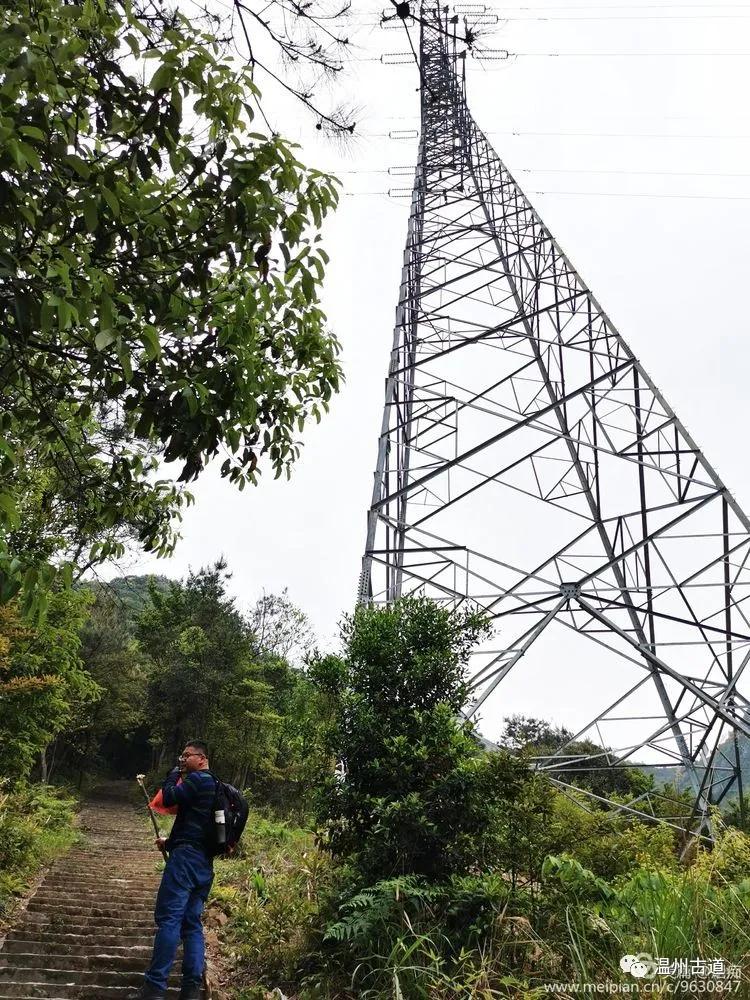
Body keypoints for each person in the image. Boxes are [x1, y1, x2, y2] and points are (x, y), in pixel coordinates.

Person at [129, 741, 217, 1000]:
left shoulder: (198, 780)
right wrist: (169, 842)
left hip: (185, 863)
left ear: (201, 758)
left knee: (169, 919)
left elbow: (168, 797)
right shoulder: (215, 787)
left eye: (186, 756)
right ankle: (190, 991)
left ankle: (154, 989)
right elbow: (196, 826)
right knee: (191, 924)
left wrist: (173, 775)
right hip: (203, 862)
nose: (183, 759)